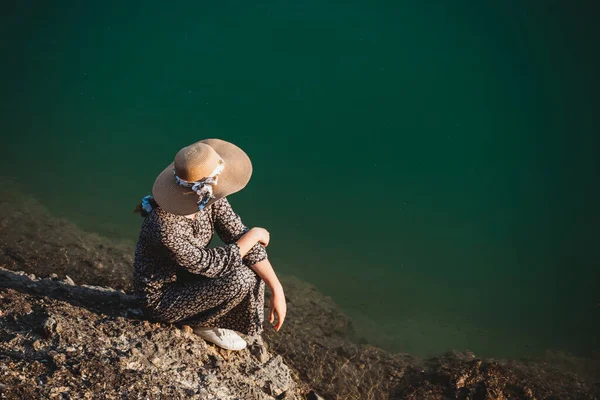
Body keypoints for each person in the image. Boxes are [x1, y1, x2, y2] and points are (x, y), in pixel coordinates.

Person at [133, 138, 286, 351]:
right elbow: (207, 263)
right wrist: (253, 235)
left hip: (192, 276)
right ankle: (202, 322)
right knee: (241, 277)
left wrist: (276, 287)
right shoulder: (164, 226)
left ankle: (208, 315)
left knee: (249, 270)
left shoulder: (210, 199)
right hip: (163, 298)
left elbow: (236, 233)